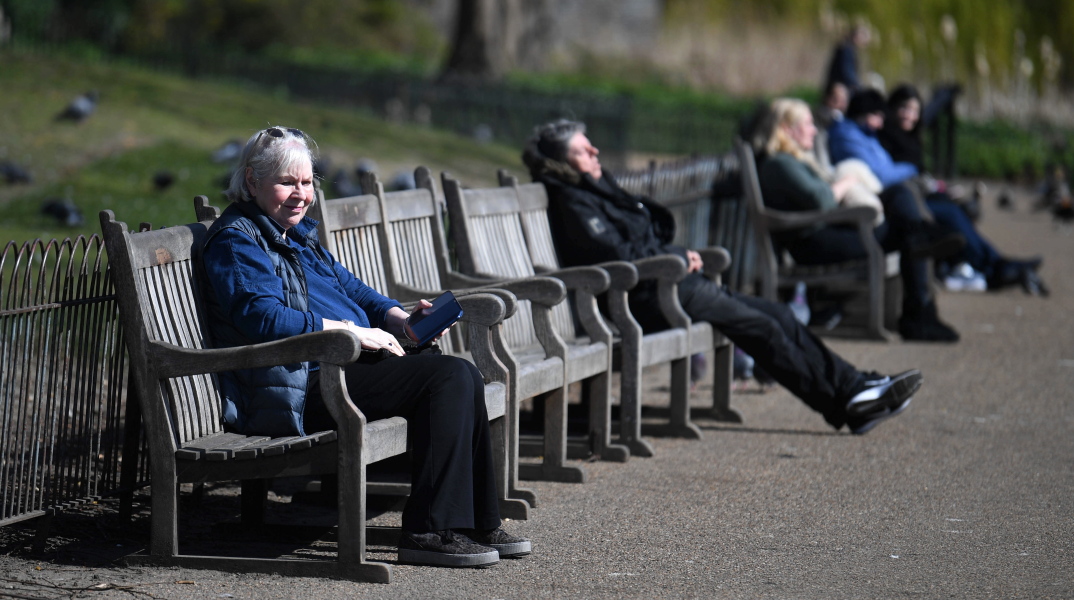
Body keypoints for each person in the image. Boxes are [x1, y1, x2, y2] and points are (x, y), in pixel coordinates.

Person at [199, 126, 530, 568]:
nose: (300, 194)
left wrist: (398, 318)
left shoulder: (292, 233)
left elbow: (352, 289)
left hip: (339, 365)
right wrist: (350, 332)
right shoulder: (238, 239)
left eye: (305, 183)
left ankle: (475, 521)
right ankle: (427, 531)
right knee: (447, 377)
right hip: (300, 386)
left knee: (460, 373)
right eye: (286, 183)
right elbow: (262, 319)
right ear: (252, 181)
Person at [523, 119, 924, 436]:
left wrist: (673, 257)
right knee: (764, 327)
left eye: (589, 144)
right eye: (581, 150)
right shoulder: (574, 200)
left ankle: (855, 388)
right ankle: (847, 401)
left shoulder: (591, 186)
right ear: (562, 162)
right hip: (642, 297)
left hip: (667, 285)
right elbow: (616, 257)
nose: (594, 151)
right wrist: (677, 256)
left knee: (778, 316)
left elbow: (636, 238)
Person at [760, 97, 963, 342]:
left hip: (825, 232)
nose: (814, 130)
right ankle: (919, 314)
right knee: (907, 234)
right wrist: (848, 182)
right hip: (814, 243)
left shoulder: (792, 160)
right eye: (808, 124)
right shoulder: (780, 163)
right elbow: (822, 200)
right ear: (786, 129)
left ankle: (920, 307)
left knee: (900, 195)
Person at [878, 84, 1048, 295]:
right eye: (904, 108)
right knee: (952, 213)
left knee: (959, 208)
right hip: (903, 201)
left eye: (914, 110)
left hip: (917, 195)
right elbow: (897, 175)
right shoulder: (885, 137)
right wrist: (927, 182)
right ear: (891, 108)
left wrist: (940, 188)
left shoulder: (910, 139)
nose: (909, 115)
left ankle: (992, 263)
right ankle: (994, 266)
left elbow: (918, 177)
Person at [824, 24, 871, 93]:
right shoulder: (846, 50)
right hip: (840, 89)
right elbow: (847, 72)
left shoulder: (848, 48)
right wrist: (858, 86)